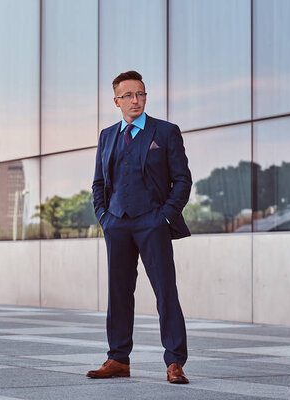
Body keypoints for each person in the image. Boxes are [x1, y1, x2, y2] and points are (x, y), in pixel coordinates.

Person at [88, 71, 192, 384]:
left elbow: (183, 180)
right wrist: (105, 217)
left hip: (153, 223)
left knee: (165, 292)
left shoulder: (165, 131)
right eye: (129, 96)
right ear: (116, 101)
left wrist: (164, 216)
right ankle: (118, 359)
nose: (136, 101)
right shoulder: (108, 135)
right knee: (118, 293)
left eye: (141, 94)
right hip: (117, 223)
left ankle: (174, 362)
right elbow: (98, 183)